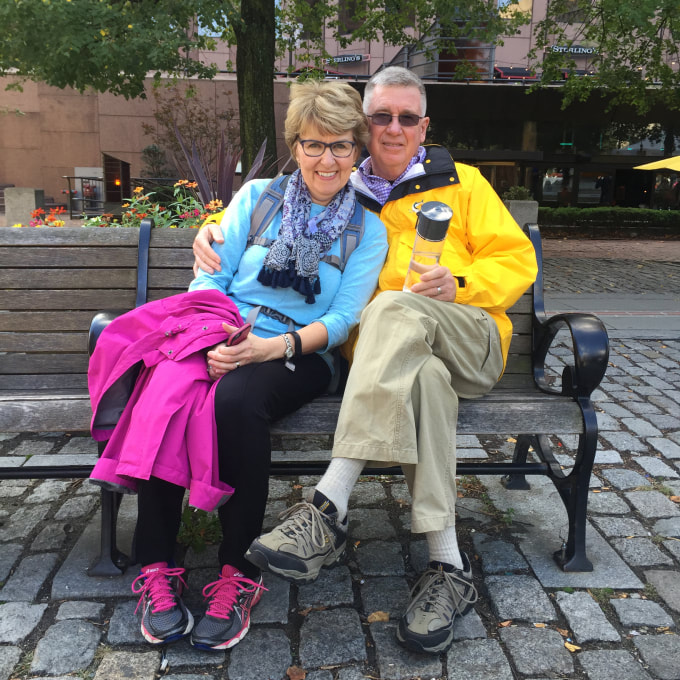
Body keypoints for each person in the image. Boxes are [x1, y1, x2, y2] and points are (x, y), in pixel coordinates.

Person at [193, 66, 538, 655]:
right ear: (363, 127)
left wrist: (460, 281)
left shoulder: (464, 184)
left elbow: (516, 258)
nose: (395, 127)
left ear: (424, 125)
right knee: (416, 366)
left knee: (395, 309)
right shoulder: (344, 190)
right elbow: (276, 213)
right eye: (382, 116)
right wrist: (212, 230)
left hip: (470, 336)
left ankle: (329, 501)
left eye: (408, 117)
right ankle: (447, 567)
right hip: (400, 363)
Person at [88, 80, 388, 650]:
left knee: (238, 400)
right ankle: (154, 566)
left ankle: (238, 572)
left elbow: (345, 319)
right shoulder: (256, 198)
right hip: (218, 329)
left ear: (357, 152)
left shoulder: (367, 231)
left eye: (341, 147)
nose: (326, 160)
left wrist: (267, 348)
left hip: (302, 352)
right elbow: (210, 276)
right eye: (314, 145)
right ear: (295, 146)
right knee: (169, 392)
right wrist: (220, 335)